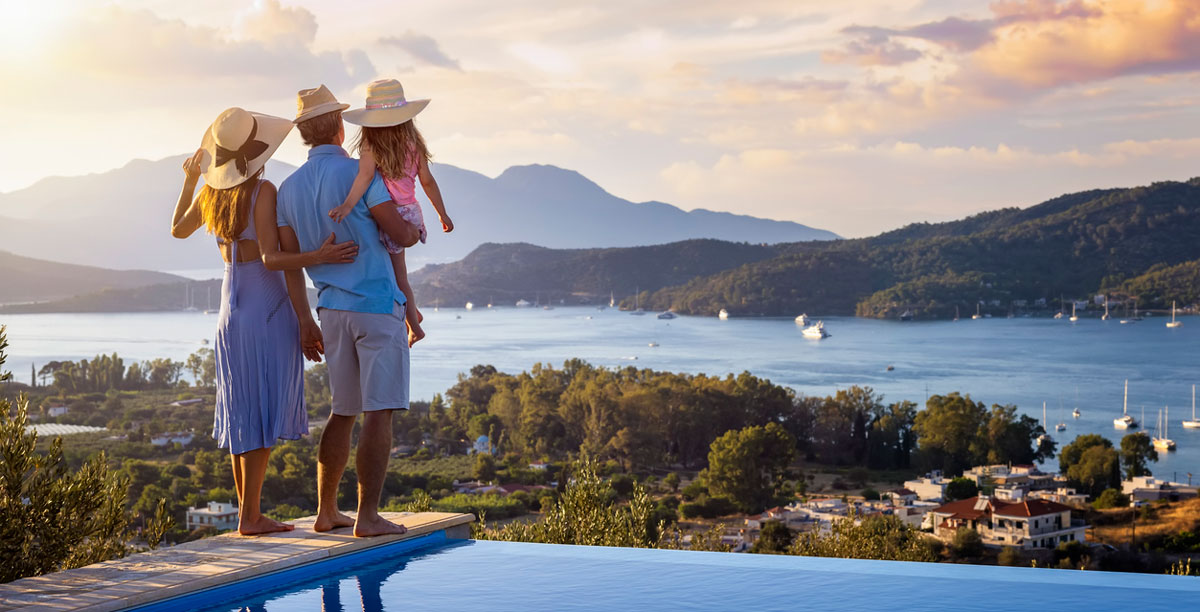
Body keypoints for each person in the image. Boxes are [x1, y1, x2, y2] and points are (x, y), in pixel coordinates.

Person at [170, 107, 358, 535]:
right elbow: (274, 259)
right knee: (262, 410)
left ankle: (247, 514)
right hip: (265, 307)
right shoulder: (263, 190)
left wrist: (190, 179)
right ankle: (251, 516)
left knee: (243, 412)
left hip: (229, 311)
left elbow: (178, 229)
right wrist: (319, 257)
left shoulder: (211, 195)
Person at [273, 84, 421, 537]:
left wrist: (304, 319)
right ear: (340, 125)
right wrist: (414, 230)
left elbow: (291, 264)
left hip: (330, 311)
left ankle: (326, 512)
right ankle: (367, 517)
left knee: (342, 412)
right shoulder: (362, 172)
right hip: (375, 306)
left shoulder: (287, 190)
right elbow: (398, 233)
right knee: (380, 412)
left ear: (303, 133)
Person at [328, 78, 453, 347]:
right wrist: (442, 214)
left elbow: (364, 178)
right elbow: (428, 182)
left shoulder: (371, 145)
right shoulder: (414, 144)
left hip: (390, 216)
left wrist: (347, 205)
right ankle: (413, 311)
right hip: (411, 212)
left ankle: (414, 327)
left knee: (397, 278)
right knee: (398, 274)